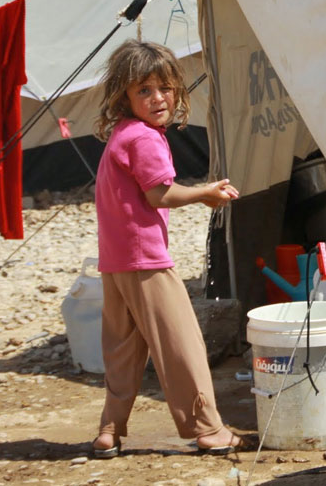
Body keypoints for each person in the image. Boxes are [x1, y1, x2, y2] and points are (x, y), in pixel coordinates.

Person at [92, 39, 242, 459]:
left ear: (177, 89)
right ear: (124, 95)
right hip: (145, 260)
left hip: (116, 262)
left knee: (123, 349)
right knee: (181, 343)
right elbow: (160, 195)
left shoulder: (120, 136)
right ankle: (208, 430)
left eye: (165, 88)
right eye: (144, 90)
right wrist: (205, 193)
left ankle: (109, 430)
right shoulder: (144, 138)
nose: (158, 98)